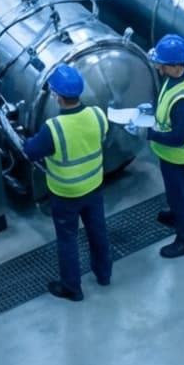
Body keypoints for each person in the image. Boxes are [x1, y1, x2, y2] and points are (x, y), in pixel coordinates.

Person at [21, 64, 112, 302]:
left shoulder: (54, 128)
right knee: (97, 231)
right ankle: (104, 274)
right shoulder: (97, 114)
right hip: (93, 186)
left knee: (67, 238)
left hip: (66, 194)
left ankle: (72, 287)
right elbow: (101, 137)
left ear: (58, 98)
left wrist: (26, 140)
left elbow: (31, 151)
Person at [148, 34, 184, 261]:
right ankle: (175, 215)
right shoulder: (182, 75)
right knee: (175, 191)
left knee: (181, 195)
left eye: (162, 64)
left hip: (179, 154)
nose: (159, 67)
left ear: (175, 65)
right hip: (170, 153)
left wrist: (150, 133)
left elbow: (179, 137)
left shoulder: (183, 100)